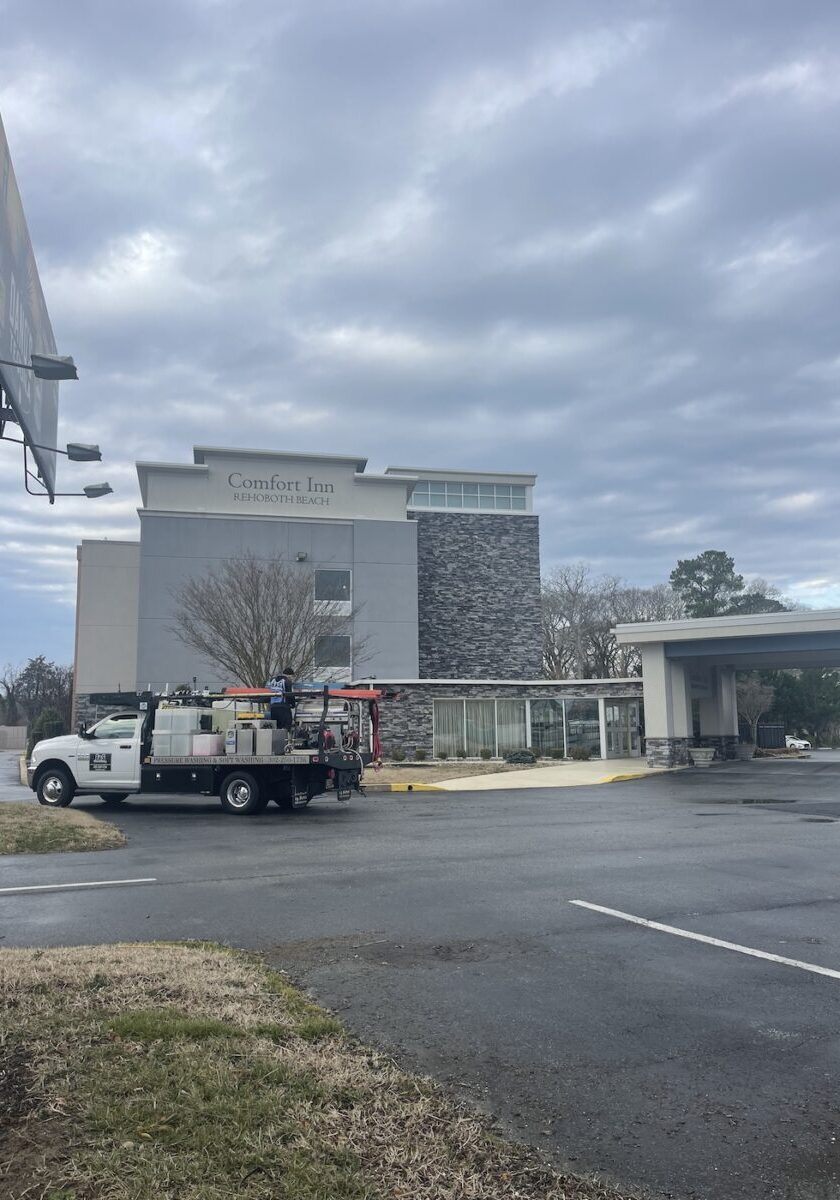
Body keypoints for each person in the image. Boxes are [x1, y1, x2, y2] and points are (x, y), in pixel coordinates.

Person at [267, 666, 297, 736]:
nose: (292, 679)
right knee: (286, 728)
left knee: (276, 728)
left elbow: (268, 693)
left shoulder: (272, 680)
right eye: (292, 677)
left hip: (273, 708)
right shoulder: (287, 681)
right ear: (290, 675)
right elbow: (290, 695)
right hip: (284, 708)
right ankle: (286, 743)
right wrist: (293, 704)